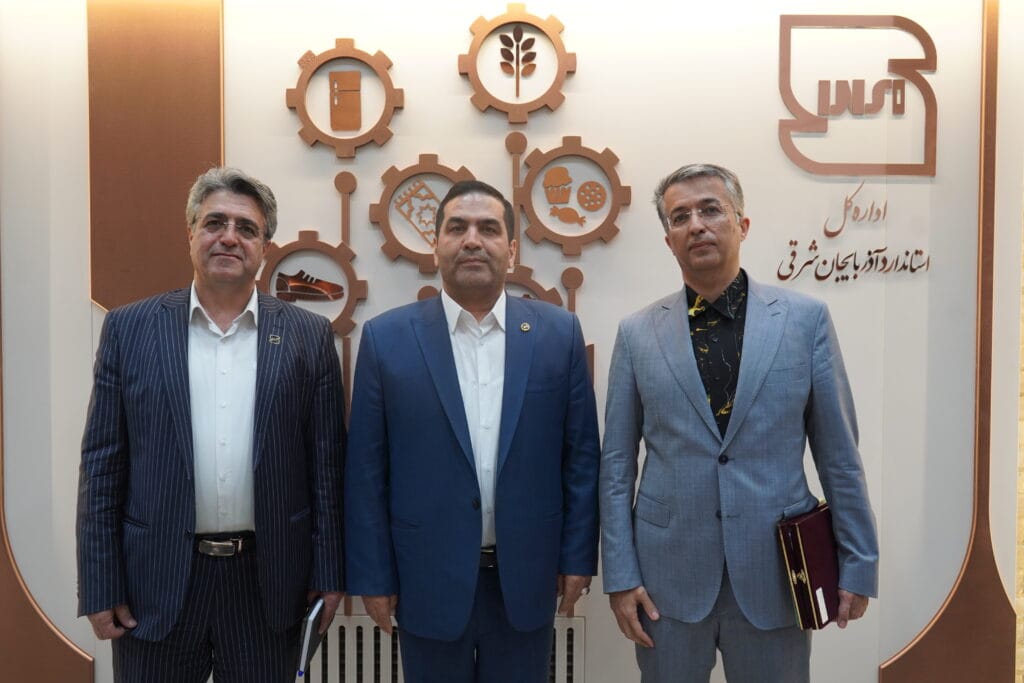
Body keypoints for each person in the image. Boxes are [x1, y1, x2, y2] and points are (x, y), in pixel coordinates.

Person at [599, 164, 878, 682]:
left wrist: (859, 561)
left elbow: (840, 456)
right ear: (668, 239)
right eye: (680, 216)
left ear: (742, 225)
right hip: (667, 578)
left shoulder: (805, 321)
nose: (696, 225)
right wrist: (619, 574)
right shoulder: (636, 334)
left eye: (711, 209)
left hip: (779, 573)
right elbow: (616, 466)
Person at [76, 167, 346, 682]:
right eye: (214, 222)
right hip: (154, 584)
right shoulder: (130, 329)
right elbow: (102, 466)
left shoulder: (308, 336)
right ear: (191, 234)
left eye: (246, 228)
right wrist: (99, 582)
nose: (229, 237)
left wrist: (329, 572)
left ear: (265, 247)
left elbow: (326, 470)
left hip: (270, 584)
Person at [345, 179, 600, 683]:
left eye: (488, 229)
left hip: (527, 577)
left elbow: (581, 459)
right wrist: (372, 576)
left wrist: (577, 558)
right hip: (425, 577)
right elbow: (366, 472)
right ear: (436, 245)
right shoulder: (385, 339)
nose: (472, 240)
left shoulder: (558, 334)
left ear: (511, 249)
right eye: (457, 228)